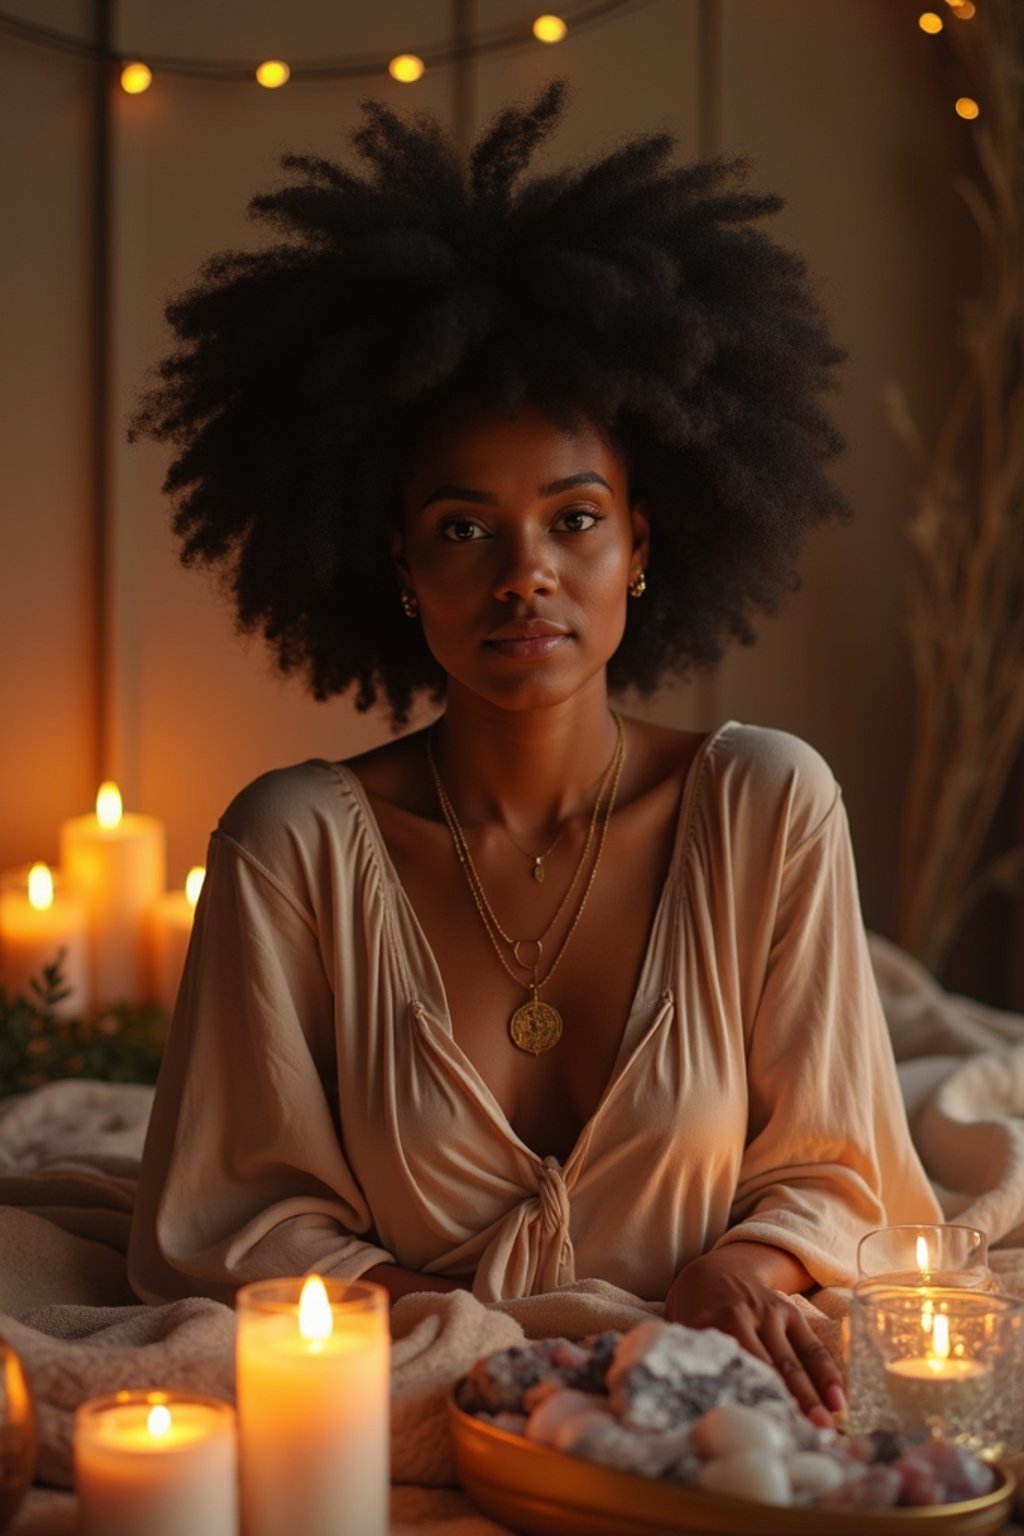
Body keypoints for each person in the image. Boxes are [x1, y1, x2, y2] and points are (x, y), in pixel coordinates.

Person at [127, 81, 941, 1426]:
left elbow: (842, 1174)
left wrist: (744, 1257)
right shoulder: (292, 847)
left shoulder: (766, 804)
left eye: (574, 520)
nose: (525, 577)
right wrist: (483, 1354)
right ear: (395, 561)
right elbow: (231, 1224)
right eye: (464, 528)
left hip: (716, 1419)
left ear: (644, 545)